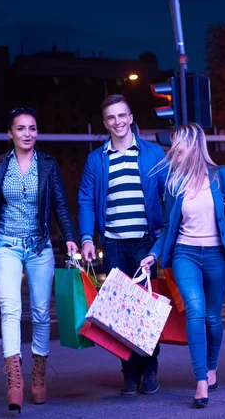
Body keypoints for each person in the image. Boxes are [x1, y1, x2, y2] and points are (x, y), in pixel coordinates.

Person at [0, 107, 78, 413]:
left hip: (40, 246)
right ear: (10, 133)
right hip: (6, 245)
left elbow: (60, 204)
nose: (27, 134)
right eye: (20, 128)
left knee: (42, 313)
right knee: (10, 309)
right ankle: (14, 379)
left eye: (32, 128)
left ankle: (39, 375)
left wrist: (69, 235)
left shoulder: (48, 164)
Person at [139, 123, 225, 408]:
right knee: (196, 311)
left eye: (179, 144)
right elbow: (167, 227)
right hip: (185, 254)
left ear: (194, 144)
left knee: (213, 317)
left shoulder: (221, 176)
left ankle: (212, 367)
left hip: (217, 257)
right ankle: (200, 379)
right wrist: (154, 254)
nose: (174, 150)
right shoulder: (175, 181)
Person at [78, 94, 167, 395]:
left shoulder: (154, 153)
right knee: (118, 313)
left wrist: (166, 237)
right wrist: (87, 237)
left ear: (130, 118)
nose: (117, 122)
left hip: (145, 241)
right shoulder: (96, 159)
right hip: (113, 243)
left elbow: (170, 194)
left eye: (122, 116)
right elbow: (86, 200)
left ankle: (150, 368)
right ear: (105, 123)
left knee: (144, 311)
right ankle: (129, 373)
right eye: (111, 118)